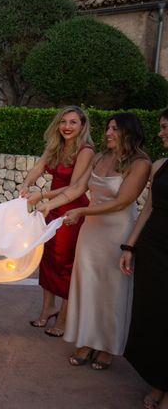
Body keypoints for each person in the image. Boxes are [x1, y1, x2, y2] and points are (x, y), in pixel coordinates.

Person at [39, 113, 151, 371]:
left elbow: (123, 201)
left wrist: (81, 212)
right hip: (91, 233)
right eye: (108, 128)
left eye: (115, 129)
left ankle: (107, 347)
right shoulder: (100, 157)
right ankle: (87, 341)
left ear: (129, 132)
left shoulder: (140, 163)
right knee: (87, 287)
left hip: (118, 234)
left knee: (111, 290)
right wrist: (48, 204)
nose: (109, 133)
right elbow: (77, 188)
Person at [19, 106, 94, 337]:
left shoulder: (86, 150)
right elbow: (39, 167)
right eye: (63, 122)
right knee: (47, 258)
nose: (67, 127)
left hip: (70, 210)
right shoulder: (56, 145)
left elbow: (74, 187)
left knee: (64, 263)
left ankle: (63, 316)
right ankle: (47, 308)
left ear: (82, 126)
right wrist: (26, 185)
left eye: (73, 122)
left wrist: (41, 196)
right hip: (50, 209)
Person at [120, 108, 168, 409]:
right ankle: (159, 381)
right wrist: (130, 247)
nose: (161, 133)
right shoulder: (160, 165)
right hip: (154, 247)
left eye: (165, 127)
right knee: (153, 316)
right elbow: (147, 208)